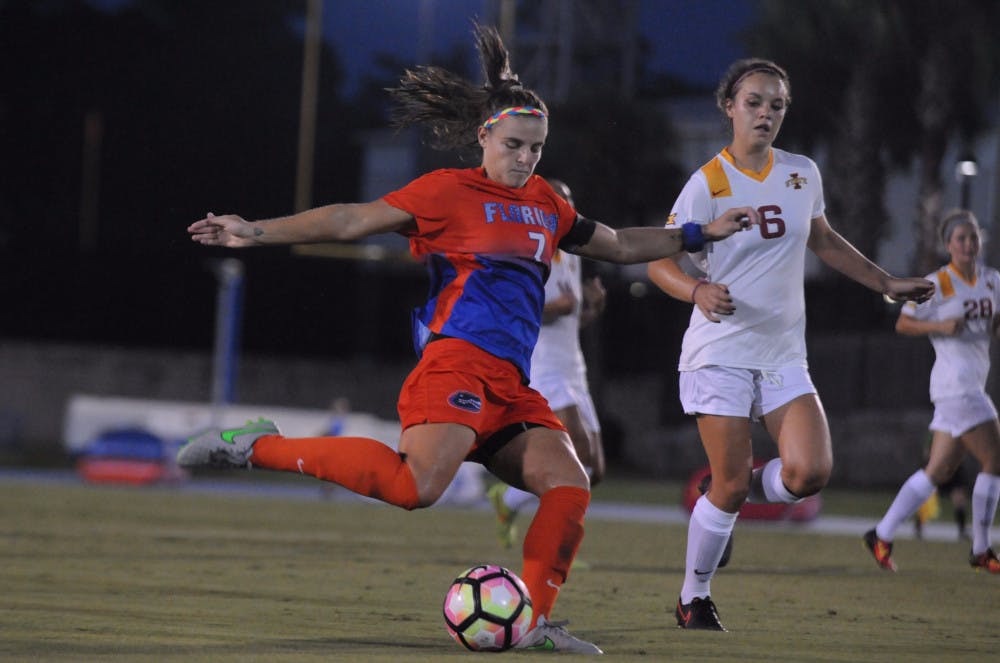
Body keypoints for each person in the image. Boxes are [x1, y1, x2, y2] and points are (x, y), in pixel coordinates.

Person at [179, 24, 759, 654]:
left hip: (511, 385)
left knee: (569, 486)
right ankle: (256, 446)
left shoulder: (547, 205)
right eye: (513, 144)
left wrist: (700, 233)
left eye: (536, 147)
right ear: (484, 137)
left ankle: (531, 618)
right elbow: (350, 219)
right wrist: (254, 231)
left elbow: (619, 245)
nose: (526, 158)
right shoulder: (445, 193)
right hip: (455, 365)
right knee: (415, 489)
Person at [646, 58, 935, 631]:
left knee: (809, 475)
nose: (765, 113)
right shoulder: (707, 182)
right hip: (720, 350)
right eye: (754, 102)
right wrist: (697, 288)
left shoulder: (802, 172)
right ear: (729, 106)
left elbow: (823, 240)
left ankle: (729, 493)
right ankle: (693, 597)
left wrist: (886, 283)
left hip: (782, 354)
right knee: (728, 486)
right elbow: (659, 259)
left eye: (776, 105)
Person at [863, 210, 1000, 574]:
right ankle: (982, 549)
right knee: (995, 460)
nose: (968, 244)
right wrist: (940, 324)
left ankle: (881, 533)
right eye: (960, 239)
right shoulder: (937, 284)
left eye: (973, 237)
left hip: (970, 384)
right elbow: (903, 323)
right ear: (948, 245)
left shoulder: (992, 281)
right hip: (956, 387)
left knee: (937, 471)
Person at [488, 178, 608, 549]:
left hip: (574, 366)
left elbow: (572, 317)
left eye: (569, 203)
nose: (565, 211)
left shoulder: (571, 250)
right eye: (559, 202)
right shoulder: (525, 249)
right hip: (543, 365)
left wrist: (590, 309)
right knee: (579, 454)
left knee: (595, 470)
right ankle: (556, 545)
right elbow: (505, 309)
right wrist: (551, 308)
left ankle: (507, 501)